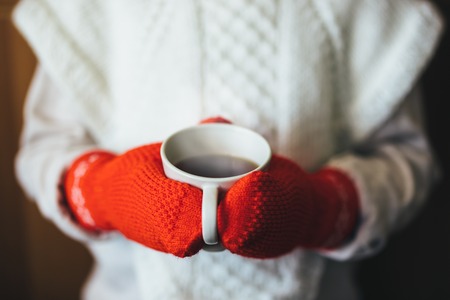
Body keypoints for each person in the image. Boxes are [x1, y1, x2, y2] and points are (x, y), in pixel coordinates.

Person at [12, 0, 443, 299]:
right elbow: (45, 148)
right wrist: (107, 192)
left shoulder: (365, 10)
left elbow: (406, 158)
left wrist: (322, 209)